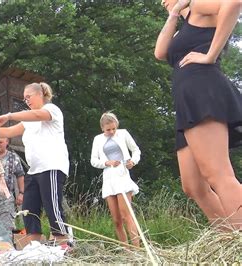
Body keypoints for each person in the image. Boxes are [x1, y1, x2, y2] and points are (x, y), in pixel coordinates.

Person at [154, 0, 242, 229]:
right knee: (193, 186)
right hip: (187, 102)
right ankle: (231, 243)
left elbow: (234, 3)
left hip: (203, 91)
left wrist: (210, 55)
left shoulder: (200, 5)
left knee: (219, 174)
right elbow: (160, 52)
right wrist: (174, 13)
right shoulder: (185, 21)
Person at [0, 82, 70, 244]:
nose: (27, 101)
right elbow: (10, 131)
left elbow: (39, 115)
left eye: (29, 97)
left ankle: (63, 244)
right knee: (28, 210)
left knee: (52, 208)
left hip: (51, 167)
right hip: (34, 171)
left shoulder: (52, 110)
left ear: (40, 95)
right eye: (24, 99)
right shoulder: (27, 121)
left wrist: (10, 115)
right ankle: (33, 245)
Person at [90, 112, 141, 247]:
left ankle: (137, 250)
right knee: (116, 220)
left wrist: (133, 161)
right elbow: (93, 160)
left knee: (126, 216)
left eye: (114, 128)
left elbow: (136, 150)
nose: (112, 131)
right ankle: (126, 251)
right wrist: (107, 163)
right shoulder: (97, 139)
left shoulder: (123, 133)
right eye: (108, 129)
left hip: (122, 176)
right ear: (102, 128)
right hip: (108, 179)